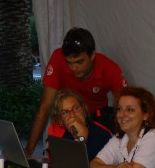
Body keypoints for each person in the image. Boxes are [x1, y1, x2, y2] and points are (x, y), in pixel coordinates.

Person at [25, 27, 126, 156]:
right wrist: (29, 151)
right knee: (59, 156)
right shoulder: (57, 58)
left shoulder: (110, 69)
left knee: (90, 159)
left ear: (93, 55)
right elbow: (45, 106)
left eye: (79, 61)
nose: (74, 68)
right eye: (69, 62)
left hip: (96, 124)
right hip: (66, 122)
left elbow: (125, 109)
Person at [51, 89, 111, 159]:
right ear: (60, 120)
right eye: (66, 112)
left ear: (84, 110)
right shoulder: (62, 138)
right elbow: (66, 165)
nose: (72, 115)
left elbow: (79, 165)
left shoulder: (101, 135)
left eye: (76, 108)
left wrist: (82, 137)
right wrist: (82, 137)